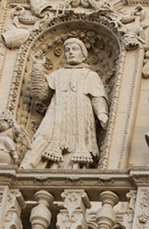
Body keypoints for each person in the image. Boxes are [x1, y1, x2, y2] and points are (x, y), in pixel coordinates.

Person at [22, 38, 109, 168]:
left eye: (75, 49)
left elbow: (97, 97)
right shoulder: (57, 74)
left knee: (75, 145)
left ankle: (68, 171)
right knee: (44, 137)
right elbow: (41, 94)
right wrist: (37, 68)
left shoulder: (90, 75)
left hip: (80, 116)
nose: (71, 53)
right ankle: (28, 167)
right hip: (56, 114)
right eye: (67, 50)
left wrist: (102, 113)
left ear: (83, 55)